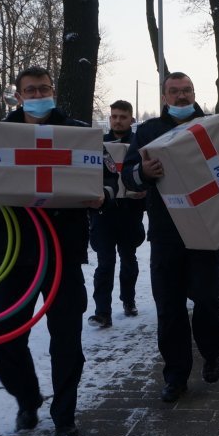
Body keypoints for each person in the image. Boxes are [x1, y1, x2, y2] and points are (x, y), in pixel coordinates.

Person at [0, 65, 114, 436]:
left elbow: (109, 178)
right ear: (18, 96)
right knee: (2, 334)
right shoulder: (0, 134)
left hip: (63, 250)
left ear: (53, 91)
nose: (37, 95)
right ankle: (27, 400)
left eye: (43, 88)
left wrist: (103, 196)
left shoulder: (77, 133)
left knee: (66, 339)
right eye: (30, 90)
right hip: (13, 253)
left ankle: (65, 416)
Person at [121, 72, 219, 402]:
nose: (182, 96)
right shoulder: (148, 133)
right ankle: (176, 375)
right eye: (175, 91)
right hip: (166, 233)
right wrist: (143, 173)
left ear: (195, 93)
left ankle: (210, 353)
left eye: (187, 90)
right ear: (164, 97)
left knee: (208, 301)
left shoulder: (211, 128)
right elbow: (128, 175)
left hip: (205, 230)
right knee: (169, 307)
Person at [88, 100, 147, 328]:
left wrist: (144, 192)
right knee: (105, 263)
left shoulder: (139, 145)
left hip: (130, 211)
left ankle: (128, 300)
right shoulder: (98, 145)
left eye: (123, 116)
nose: (118, 120)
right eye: (114, 116)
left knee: (129, 260)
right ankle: (102, 312)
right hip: (103, 212)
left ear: (131, 119)